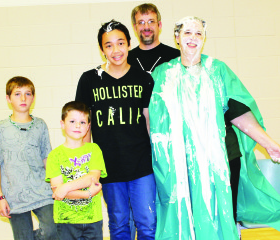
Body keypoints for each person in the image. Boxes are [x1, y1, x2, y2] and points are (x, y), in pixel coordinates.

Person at [149, 16, 280, 240]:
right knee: (184, 219)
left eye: (198, 33)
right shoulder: (163, 75)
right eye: (187, 33)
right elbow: (153, 123)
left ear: (204, 38)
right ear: (177, 37)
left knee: (222, 215)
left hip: (221, 161)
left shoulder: (217, 70)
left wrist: (270, 144)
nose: (193, 38)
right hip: (180, 167)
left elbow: (239, 113)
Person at [75, 20, 156, 240]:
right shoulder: (89, 80)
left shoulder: (144, 79)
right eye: (108, 45)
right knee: (119, 224)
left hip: (142, 164)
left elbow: (149, 123)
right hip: (108, 166)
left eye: (120, 43)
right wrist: (87, 165)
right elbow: (83, 126)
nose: (115, 50)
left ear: (129, 44)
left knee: (147, 224)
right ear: (102, 50)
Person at [0, 76, 58, 240]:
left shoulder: (40, 125)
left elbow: (47, 158)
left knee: (53, 230)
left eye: (28, 93)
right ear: (8, 98)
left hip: (42, 193)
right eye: (17, 94)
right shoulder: (0, 129)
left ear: (33, 97)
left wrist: (57, 186)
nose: (23, 98)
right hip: (14, 198)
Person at [45, 101, 107, 240]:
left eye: (83, 122)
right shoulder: (55, 155)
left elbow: (92, 178)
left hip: (93, 220)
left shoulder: (94, 149)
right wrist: (88, 193)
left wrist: (65, 187)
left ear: (88, 127)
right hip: (66, 221)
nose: (78, 125)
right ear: (62, 124)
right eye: (72, 121)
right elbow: (57, 191)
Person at [128, 3, 179, 73]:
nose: (146, 27)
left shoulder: (176, 57)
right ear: (135, 28)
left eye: (151, 21)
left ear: (159, 25)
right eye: (141, 22)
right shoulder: (126, 60)